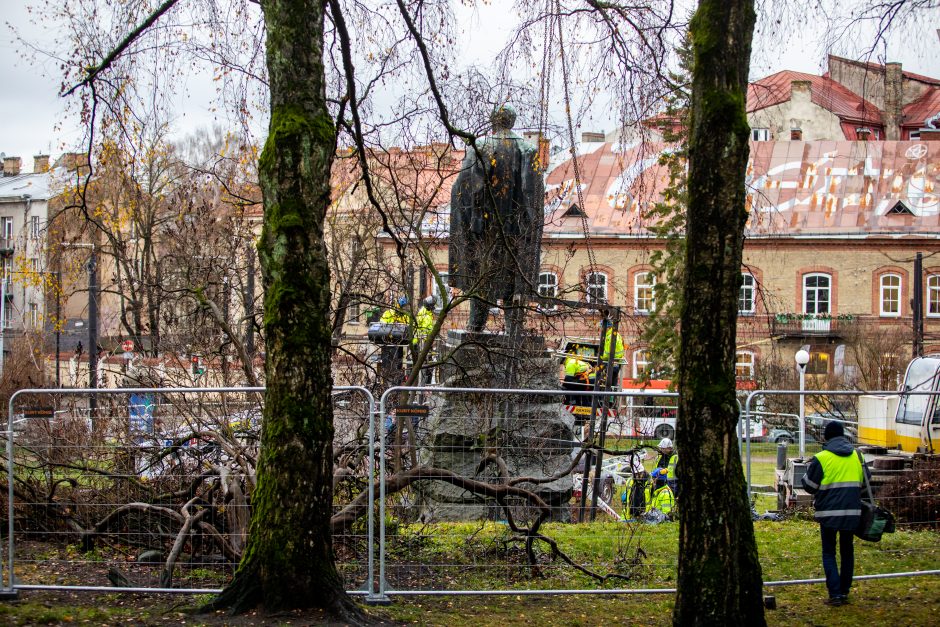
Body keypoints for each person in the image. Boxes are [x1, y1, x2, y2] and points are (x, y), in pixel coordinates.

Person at [801, 421, 867, 607]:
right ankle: (844, 592)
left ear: (826, 437)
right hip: (852, 512)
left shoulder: (821, 458)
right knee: (847, 552)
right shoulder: (857, 455)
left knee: (829, 552)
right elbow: (865, 482)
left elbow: (809, 486)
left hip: (828, 514)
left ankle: (835, 594)